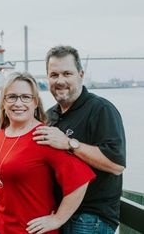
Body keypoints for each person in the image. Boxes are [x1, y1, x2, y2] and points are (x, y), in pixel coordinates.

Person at [0, 72, 96, 234]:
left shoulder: (44, 136)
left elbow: (81, 180)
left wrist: (58, 219)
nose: (18, 103)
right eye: (12, 97)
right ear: (3, 103)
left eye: (26, 97)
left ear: (35, 102)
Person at [33, 45, 126, 233]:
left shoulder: (101, 109)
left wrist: (69, 143)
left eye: (67, 73)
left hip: (89, 218)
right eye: (54, 75)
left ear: (81, 74)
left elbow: (116, 165)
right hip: (59, 213)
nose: (60, 81)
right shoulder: (50, 115)